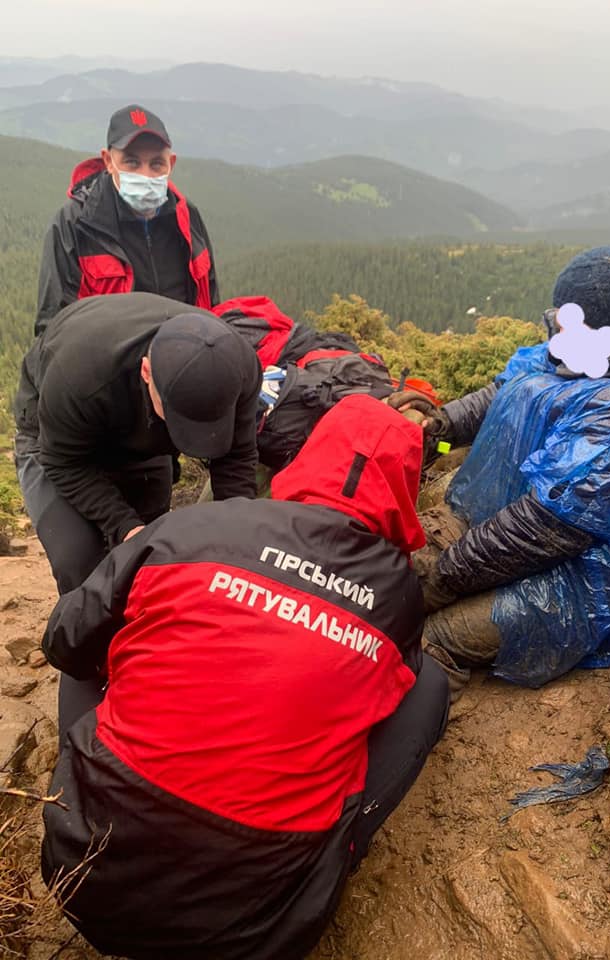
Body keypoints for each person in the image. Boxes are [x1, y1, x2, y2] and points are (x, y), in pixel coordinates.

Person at [40, 394, 450, 960]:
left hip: (83, 872)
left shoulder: (194, 525)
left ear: (310, 454)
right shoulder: (398, 594)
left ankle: (89, 788)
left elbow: (62, 639)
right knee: (424, 687)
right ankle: (337, 850)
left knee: (95, 633)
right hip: (259, 929)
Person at [391, 247, 610, 694]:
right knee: (389, 582)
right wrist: (438, 425)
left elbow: (548, 527)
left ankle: (422, 725)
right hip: (497, 528)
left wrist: (445, 576)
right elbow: (507, 391)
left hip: (576, 581)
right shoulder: (590, 348)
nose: (560, 327)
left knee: (431, 637)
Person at [14, 292, 262, 597]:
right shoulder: (79, 377)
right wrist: (123, 524)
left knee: (151, 555)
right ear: (147, 372)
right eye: (179, 418)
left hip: (140, 424)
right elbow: (64, 463)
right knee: (80, 560)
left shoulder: (239, 367)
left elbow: (236, 460)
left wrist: (239, 538)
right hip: (58, 436)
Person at [36, 103, 219, 334]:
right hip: (108, 367)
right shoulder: (75, 224)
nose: (145, 174)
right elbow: (53, 331)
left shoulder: (187, 218)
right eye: (132, 162)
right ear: (109, 161)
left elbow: (211, 304)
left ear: (171, 164)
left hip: (184, 363)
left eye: (156, 164)